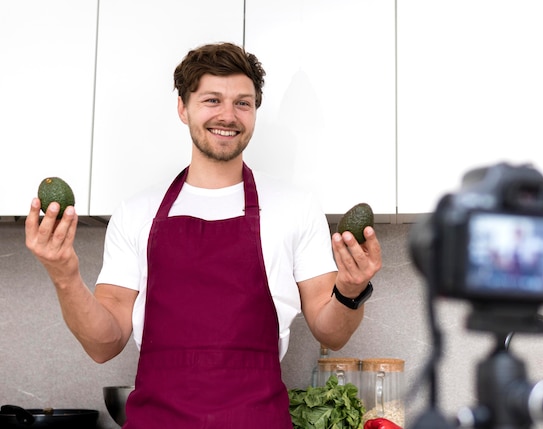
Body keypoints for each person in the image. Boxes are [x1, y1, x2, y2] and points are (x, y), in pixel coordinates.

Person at [24, 42, 382, 428]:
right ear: (183, 107)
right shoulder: (137, 212)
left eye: (243, 103)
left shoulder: (296, 207)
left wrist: (349, 289)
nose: (228, 115)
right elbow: (103, 344)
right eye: (212, 100)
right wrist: (64, 274)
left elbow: (331, 332)